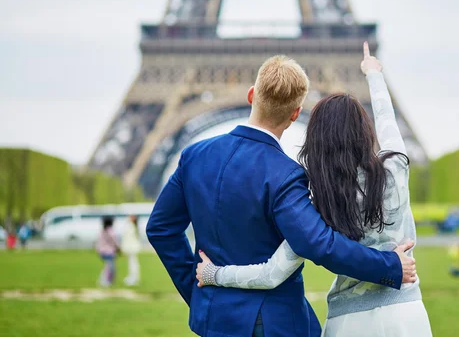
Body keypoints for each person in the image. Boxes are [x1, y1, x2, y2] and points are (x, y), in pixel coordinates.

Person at [147, 53, 417, 337]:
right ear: (295, 113)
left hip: (212, 316)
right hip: (272, 323)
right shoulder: (285, 174)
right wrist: (389, 265)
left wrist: (196, 288)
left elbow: (160, 229)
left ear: (252, 95)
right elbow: (318, 243)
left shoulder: (193, 156)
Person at [96, 217, 119, 287]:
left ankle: (107, 280)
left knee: (108, 266)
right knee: (109, 267)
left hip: (102, 251)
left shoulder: (103, 231)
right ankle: (105, 280)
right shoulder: (110, 231)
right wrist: (118, 248)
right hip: (109, 252)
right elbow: (115, 241)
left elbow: (99, 242)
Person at [122, 215, 141, 286]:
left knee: (133, 263)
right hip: (132, 248)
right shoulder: (133, 226)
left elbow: (127, 238)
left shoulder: (130, 226)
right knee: (133, 263)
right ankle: (133, 277)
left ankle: (133, 278)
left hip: (131, 248)